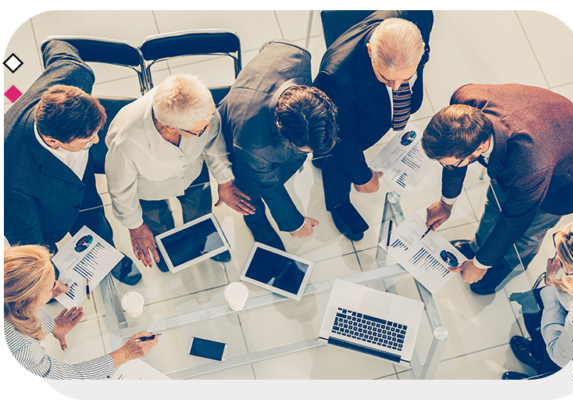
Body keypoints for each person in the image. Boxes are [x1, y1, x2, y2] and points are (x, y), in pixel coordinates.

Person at [2, 40, 141, 286]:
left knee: (96, 226)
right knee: (45, 256)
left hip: (84, 191)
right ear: (52, 140)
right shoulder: (11, 171)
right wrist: (47, 279)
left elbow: (55, 45)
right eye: (87, 142)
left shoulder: (75, 76)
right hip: (44, 218)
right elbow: (26, 237)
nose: (97, 141)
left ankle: (110, 259)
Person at [422, 83, 573, 295]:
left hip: (564, 179)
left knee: (528, 232)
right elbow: (454, 153)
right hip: (534, 135)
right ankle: (479, 246)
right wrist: (446, 203)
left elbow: (515, 220)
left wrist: (480, 265)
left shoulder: (529, 163)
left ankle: (506, 265)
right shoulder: (464, 101)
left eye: (451, 164)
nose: (448, 169)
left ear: (479, 148)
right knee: (494, 205)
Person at [105, 73, 254, 271]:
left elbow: (214, 143)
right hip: (149, 190)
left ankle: (203, 244)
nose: (208, 127)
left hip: (194, 174)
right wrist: (136, 227)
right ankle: (170, 252)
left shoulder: (200, 111)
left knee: (200, 213)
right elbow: (120, 189)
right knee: (158, 224)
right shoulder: (126, 142)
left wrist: (225, 181)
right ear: (171, 128)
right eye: (200, 130)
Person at [314, 10, 433, 240]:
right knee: (335, 155)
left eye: (405, 78)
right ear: (371, 52)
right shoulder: (336, 77)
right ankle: (338, 202)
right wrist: (362, 177)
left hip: (376, 109)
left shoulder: (422, 15)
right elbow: (343, 138)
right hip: (353, 120)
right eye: (387, 78)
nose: (397, 87)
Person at [219, 39, 339, 250]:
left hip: (255, 99)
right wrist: (295, 223)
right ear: (284, 132)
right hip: (235, 133)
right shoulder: (253, 146)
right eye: (304, 150)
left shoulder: (297, 56)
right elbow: (270, 187)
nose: (309, 155)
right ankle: (255, 222)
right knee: (251, 189)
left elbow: (268, 46)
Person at [3, 245, 158, 379]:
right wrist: (126, 353)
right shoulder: (23, 350)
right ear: (28, 300)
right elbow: (67, 379)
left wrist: (53, 326)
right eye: (52, 287)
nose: (59, 287)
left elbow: (17, 307)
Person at [503, 219, 573, 379]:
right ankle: (536, 352)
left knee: (551, 367)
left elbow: (558, 354)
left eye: (565, 263)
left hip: (567, 364)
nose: (557, 259)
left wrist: (549, 285)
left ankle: (539, 373)